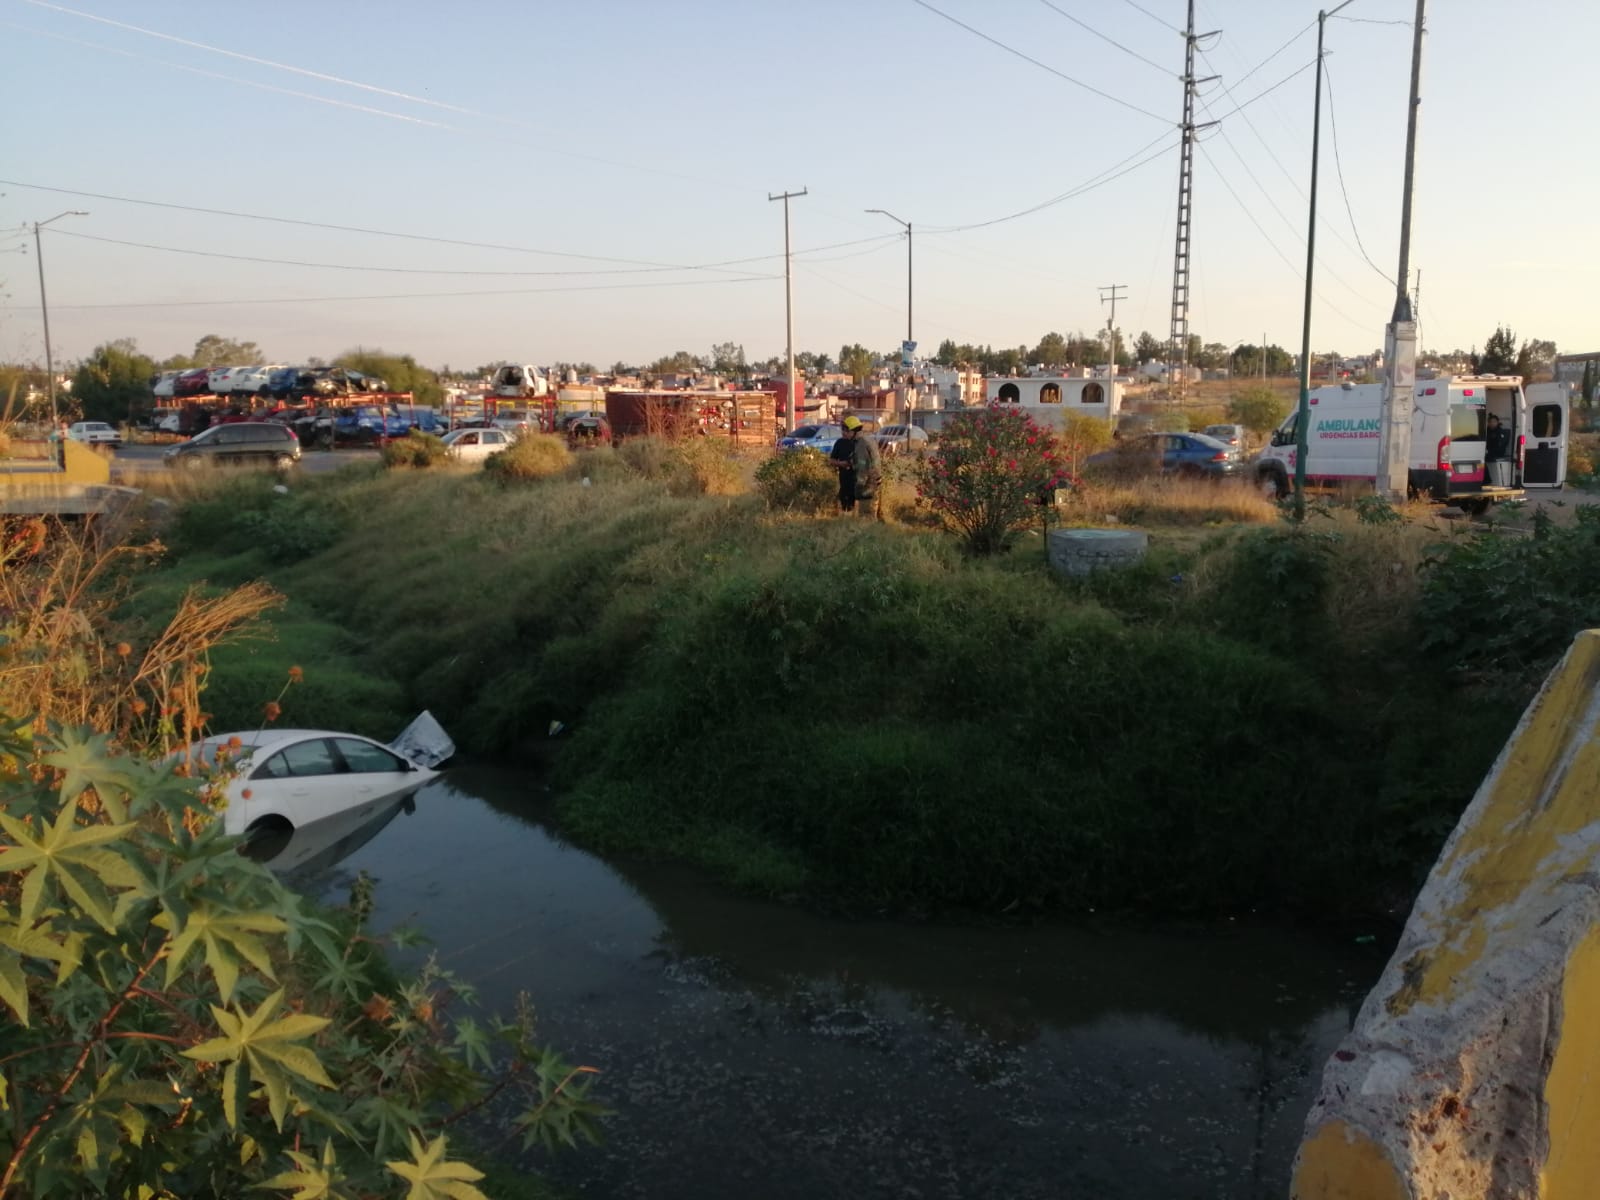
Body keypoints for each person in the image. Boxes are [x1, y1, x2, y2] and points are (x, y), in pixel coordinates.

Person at [829, 415, 881, 515]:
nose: (844, 433)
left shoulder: (861, 444)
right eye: (843, 430)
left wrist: (858, 488)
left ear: (853, 431)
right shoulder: (867, 440)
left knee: (865, 517)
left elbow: (863, 468)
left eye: (846, 431)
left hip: (866, 485)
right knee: (868, 515)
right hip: (871, 483)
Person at [1486, 413, 1513, 487]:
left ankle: (1487, 480)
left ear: (1497, 422)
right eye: (1490, 422)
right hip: (1487, 451)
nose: (1492, 423)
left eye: (1494, 422)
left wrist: (1489, 451)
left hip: (1497, 452)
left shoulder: (1500, 432)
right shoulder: (1486, 432)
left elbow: (1500, 445)